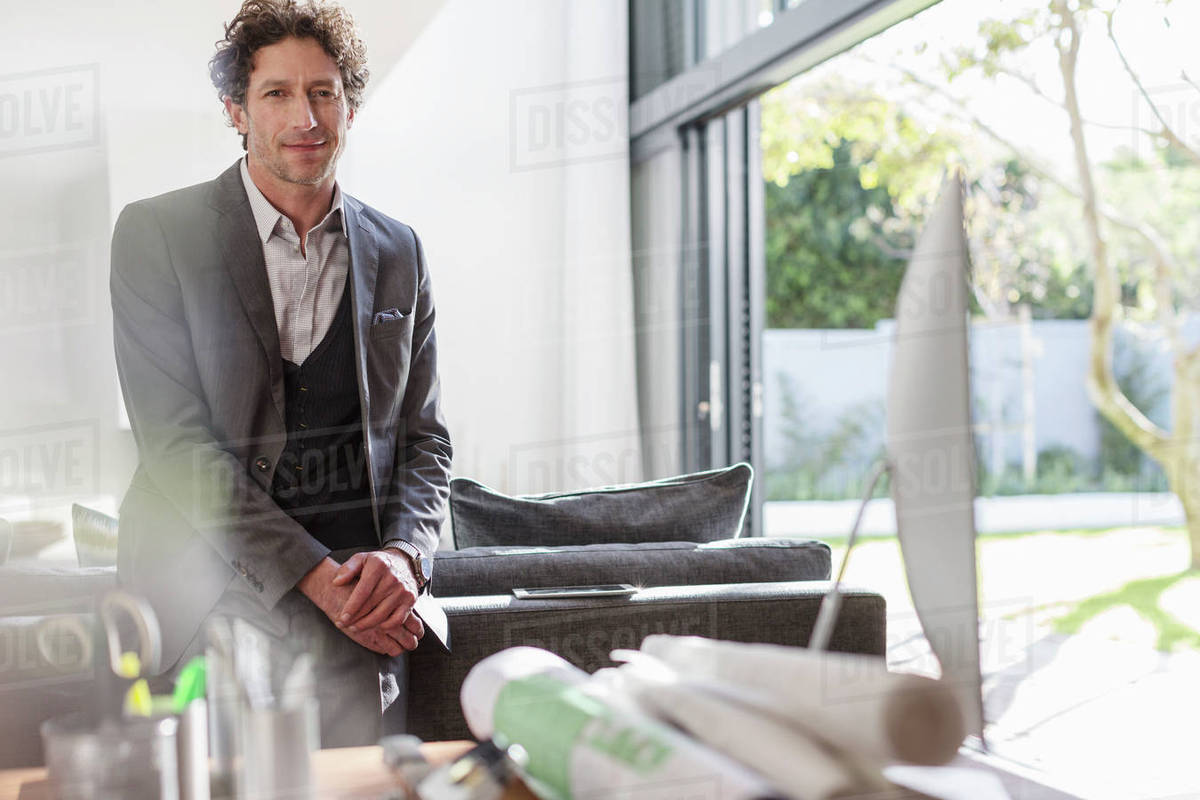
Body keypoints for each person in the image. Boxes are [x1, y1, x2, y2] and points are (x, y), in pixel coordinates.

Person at [110, 0, 451, 744]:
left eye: (324, 92)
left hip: (360, 612)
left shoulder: (401, 253)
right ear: (236, 109)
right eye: (277, 93)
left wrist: (404, 557)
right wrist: (315, 577)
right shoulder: (156, 236)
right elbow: (177, 449)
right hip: (208, 597)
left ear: (350, 108)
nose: (306, 116)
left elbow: (425, 441)